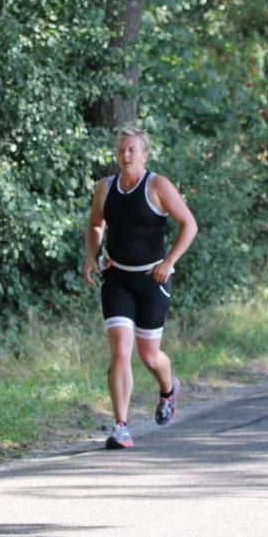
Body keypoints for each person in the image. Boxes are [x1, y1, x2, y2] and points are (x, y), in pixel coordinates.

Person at [83, 126, 198, 449]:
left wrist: (169, 262)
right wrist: (92, 257)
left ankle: (168, 388)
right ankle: (121, 426)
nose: (126, 155)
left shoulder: (157, 186)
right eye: (121, 150)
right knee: (120, 350)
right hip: (117, 277)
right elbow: (95, 224)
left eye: (133, 150)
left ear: (145, 155)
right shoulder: (105, 188)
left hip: (152, 280)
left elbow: (189, 224)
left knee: (149, 356)